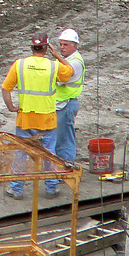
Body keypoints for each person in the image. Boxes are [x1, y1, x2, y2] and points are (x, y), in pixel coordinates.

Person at [1, 31, 74, 199]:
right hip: (47, 120)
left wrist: (12, 107)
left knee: (21, 153)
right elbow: (69, 72)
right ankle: (50, 188)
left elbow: (6, 89)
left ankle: (17, 189)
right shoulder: (53, 65)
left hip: (25, 118)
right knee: (49, 154)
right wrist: (57, 55)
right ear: (46, 48)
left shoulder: (20, 65)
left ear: (32, 47)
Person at [55, 28, 85, 164]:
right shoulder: (65, 59)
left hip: (66, 104)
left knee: (64, 138)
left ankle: (66, 166)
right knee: (58, 137)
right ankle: (60, 165)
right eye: (61, 44)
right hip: (60, 104)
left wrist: (57, 57)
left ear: (75, 45)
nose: (62, 47)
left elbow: (60, 78)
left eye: (65, 44)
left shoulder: (76, 62)